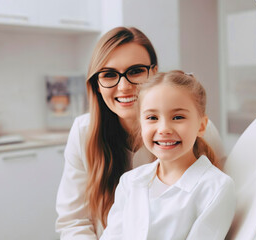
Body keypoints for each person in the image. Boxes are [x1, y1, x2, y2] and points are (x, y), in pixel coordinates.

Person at [55, 27, 226, 239]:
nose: (124, 86)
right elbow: (73, 222)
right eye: (109, 75)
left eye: (135, 71)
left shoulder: (197, 132)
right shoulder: (84, 132)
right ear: (98, 85)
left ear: (153, 73)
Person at [100, 71, 236, 239]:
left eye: (178, 117)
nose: (164, 129)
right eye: (152, 117)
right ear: (141, 127)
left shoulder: (216, 187)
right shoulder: (130, 182)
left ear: (201, 126)